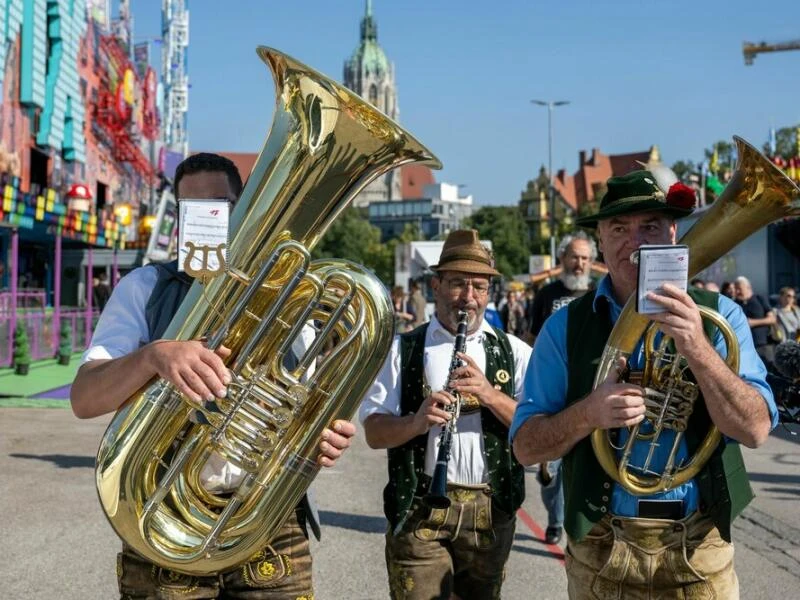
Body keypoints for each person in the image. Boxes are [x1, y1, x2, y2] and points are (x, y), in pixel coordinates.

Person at [71, 153, 355, 599]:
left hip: (267, 522)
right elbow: (84, 398)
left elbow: (305, 411)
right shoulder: (146, 287)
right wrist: (154, 357)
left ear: (244, 208)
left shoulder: (296, 297)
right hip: (162, 519)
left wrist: (321, 435)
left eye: (221, 206)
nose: (207, 218)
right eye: (193, 210)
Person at [511, 171, 777, 599]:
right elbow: (525, 447)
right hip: (601, 549)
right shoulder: (564, 328)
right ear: (600, 238)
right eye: (619, 228)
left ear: (674, 232)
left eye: (650, 226)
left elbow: (755, 429)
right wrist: (589, 413)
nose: (635, 242)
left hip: (699, 548)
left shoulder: (721, 316)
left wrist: (698, 348)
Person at [359, 229, 532, 600]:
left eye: (479, 287)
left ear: (489, 292)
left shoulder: (516, 352)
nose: (468, 298)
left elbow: (536, 429)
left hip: (491, 508)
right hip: (420, 507)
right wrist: (416, 422)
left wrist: (488, 395)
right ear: (436, 285)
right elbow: (374, 432)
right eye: (457, 284)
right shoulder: (401, 349)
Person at [527, 230, 597, 546]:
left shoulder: (600, 293)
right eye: (574, 257)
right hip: (554, 391)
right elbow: (531, 338)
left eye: (584, 258)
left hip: (592, 390)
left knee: (586, 463)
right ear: (562, 259)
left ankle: (578, 525)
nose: (579, 263)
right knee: (551, 466)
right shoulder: (546, 295)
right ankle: (555, 520)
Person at [733, 275, 777, 367]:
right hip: (743, 348)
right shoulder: (734, 303)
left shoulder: (759, 299)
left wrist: (753, 322)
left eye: (739, 289)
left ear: (748, 287)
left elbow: (772, 319)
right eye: (736, 289)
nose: (737, 292)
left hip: (763, 345)